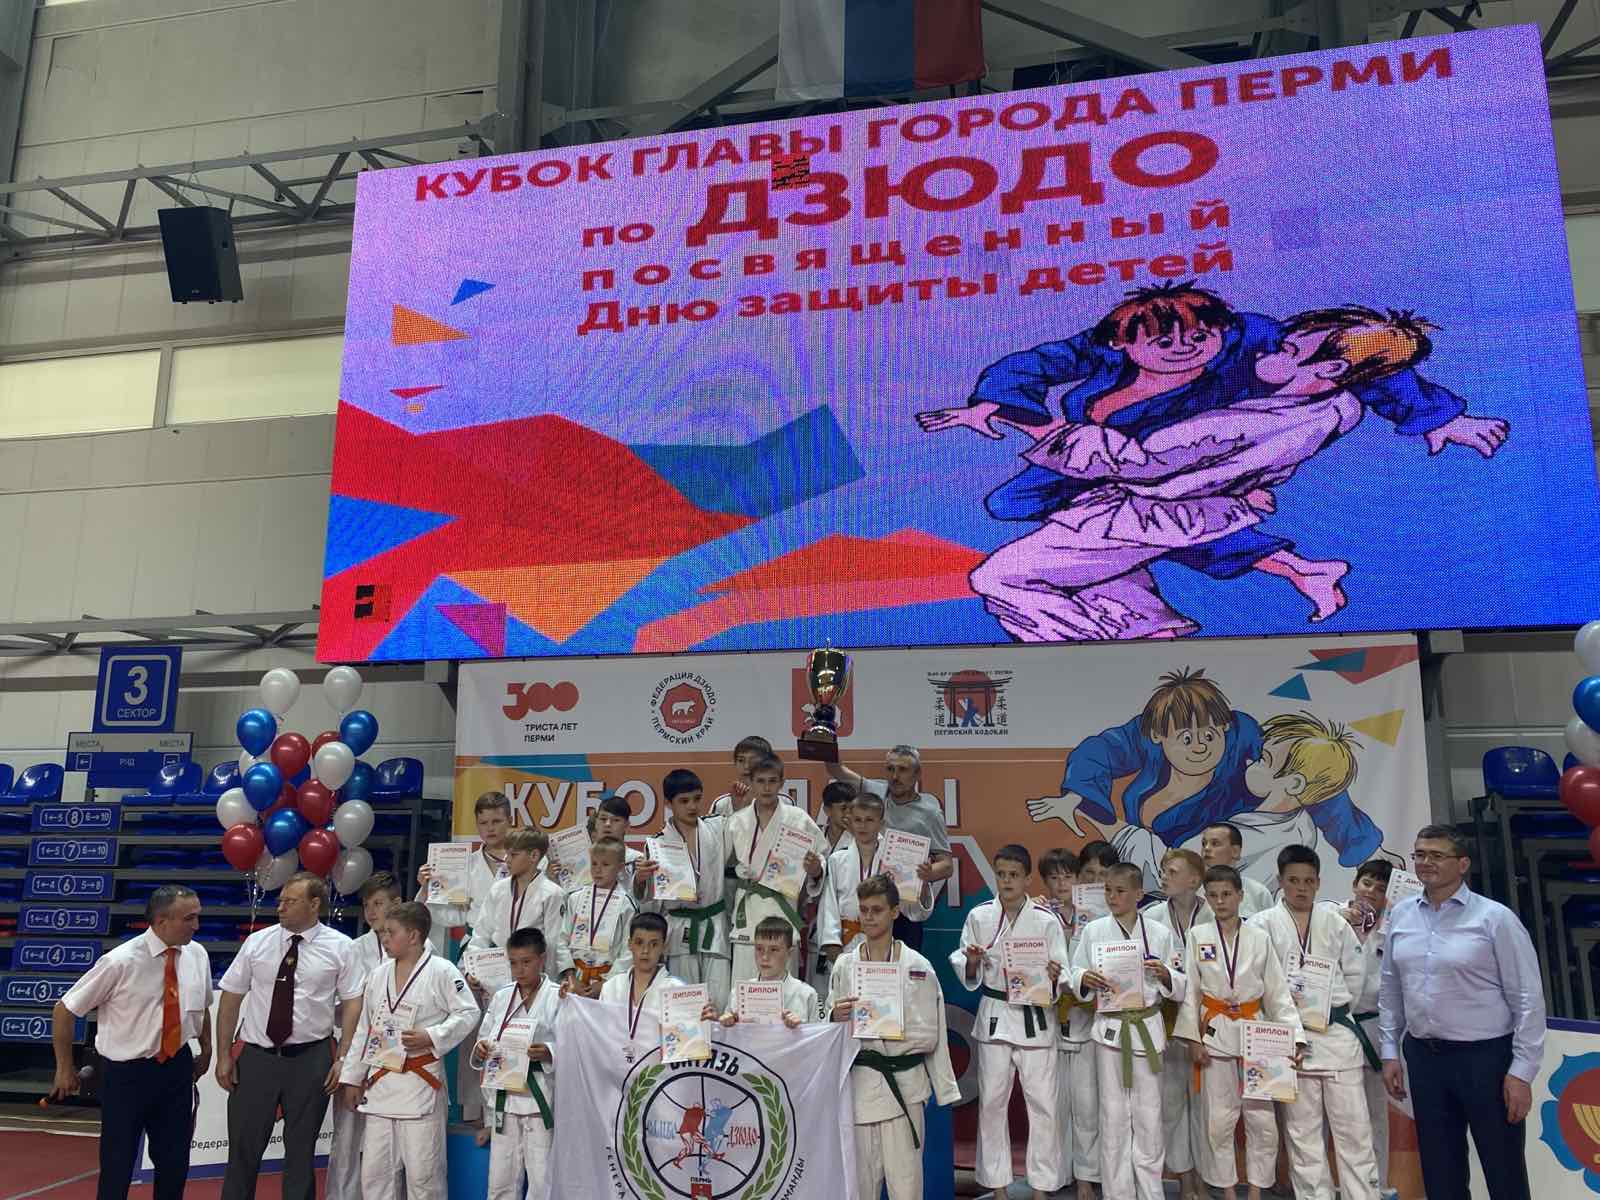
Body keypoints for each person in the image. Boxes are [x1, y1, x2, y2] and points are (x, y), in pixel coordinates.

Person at [917, 281, 1503, 634]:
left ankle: (1094, 640)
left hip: (1147, 479)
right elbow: (1032, 366)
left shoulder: (1256, 350)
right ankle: (1159, 620)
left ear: (1222, 332)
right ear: (1124, 341)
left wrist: (1438, 417)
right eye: (1162, 342)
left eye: (1198, 339)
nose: (1183, 349)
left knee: (1027, 566)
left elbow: (1366, 365)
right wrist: (997, 404)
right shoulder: (1108, 348)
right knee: (1035, 516)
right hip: (1114, 481)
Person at [1378, 825, 1544, 1200]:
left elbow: (1528, 999)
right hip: (1425, 1059)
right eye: (1420, 854)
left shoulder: (1495, 919)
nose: (1426, 862)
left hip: (1485, 1060)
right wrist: (1389, 1052)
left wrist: (1521, 1072)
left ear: (1463, 864)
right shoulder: (1401, 915)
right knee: (1441, 1173)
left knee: (1503, 1171)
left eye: (1437, 855)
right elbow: (1390, 989)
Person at [51, 885, 211, 1200]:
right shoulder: (120, 961)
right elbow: (64, 1010)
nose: (196, 925)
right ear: (161, 921)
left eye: (197, 916)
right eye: (189, 918)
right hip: (127, 1074)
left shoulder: (197, 954)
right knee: (118, 1163)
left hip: (177, 1068)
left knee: (174, 1161)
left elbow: (202, 1006)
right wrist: (64, 1068)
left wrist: (207, 1049)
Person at [217, 873, 364, 1200]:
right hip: (256, 1057)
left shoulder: (342, 947)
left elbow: (354, 1003)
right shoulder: (257, 942)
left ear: (314, 904)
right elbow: (230, 997)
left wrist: (344, 1057)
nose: (280, 907)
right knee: (242, 1150)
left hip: (312, 1058)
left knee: (301, 1152)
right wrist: (224, 1054)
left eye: (290, 901)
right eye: (280, 900)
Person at [1254, 845, 1378, 1200]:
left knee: (1354, 1132)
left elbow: (1355, 976)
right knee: (1302, 1135)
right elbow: (1259, 982)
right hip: (1290, 1041)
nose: (1301, 888)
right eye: (1293, 880)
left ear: (1319, 883)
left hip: (1336, 1034)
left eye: (1308, 881)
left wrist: (1329, 1011)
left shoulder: (1335, 923)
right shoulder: (1262, 925)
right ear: (1280, 882)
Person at [827, 874, 959, 1200]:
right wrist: (833, 1016)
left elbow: (933, 1032)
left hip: (904, 1085)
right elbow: (828, 1026)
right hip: (860, 1085)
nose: (869, 917)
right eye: (864, 910)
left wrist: (943, 1086)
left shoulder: (917, 966)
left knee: (906, 1185)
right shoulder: (845, 965)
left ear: (895, 912)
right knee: (861, 1185)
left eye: (877, 910)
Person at [1175, 865, 1303, 1200]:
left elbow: (1277, 992)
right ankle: (1229, 1191)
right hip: (1214, 1033)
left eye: (1227, 894)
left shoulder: (1260, 938)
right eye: (1213, 895)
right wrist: (1192, 1039)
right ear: (1206, 897)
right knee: (1218, 1121)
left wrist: (1295, 1037)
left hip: (1257, 1036)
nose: (1220, 901)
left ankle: (1256, 1190)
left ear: (1240, 896)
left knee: (1262, 1122)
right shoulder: (1198, 936)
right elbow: (1191, 991)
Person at [337, 903, 478, 1200]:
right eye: (384, 933)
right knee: (375, 1176)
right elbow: (365, 1029)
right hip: (380, 1085)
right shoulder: (378, 975)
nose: (384, 938)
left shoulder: (442, 970)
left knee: (424, 1177)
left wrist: (432, 1036)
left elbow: (468, 1013)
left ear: (413, 936)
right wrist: (352, 1078)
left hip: (419, 1084)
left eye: (391, 932)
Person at [953, 844, 1070, 1200]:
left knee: (1043, 1104)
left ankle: (1041, 1186)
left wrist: (1055, 976)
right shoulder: (980, 916)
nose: (1006, 881)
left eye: (1014, 875)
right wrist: (972, 961)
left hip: (1035, 1016)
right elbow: (963, 963)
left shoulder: (1046, 920)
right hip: (996, 1014)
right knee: (992, 1102)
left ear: (1027, 878)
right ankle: (998, 1186)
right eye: (1001, 874)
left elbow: (1063, 971)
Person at [1069, 862, 1186, 1200]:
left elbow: (1181, 981)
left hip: (1147, 1028)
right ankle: (1117, 1193)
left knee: (1149, 1115)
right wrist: (1083, 978)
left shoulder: (1159, 933)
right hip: (1110, 1029)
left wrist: (1165, 974)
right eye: (1108, 890)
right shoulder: (1094, 931)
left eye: (1120, 891)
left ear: (1138, 894)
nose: (1112, 897)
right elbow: (1074, 971)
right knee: (1113, 1115)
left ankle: (1150, 1192)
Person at [826, 744, 952, 949]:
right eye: (890, 769)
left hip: (904, 905)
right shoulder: (877, 791)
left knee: (903, 966)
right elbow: (836, 770)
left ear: (917, 773)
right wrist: (825, 742)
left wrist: (927, 873)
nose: (895, 776)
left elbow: (946, 865)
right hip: (869, 901)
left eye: (903, 770)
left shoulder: (930, 813)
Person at [329, 872, 404, 1200]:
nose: (371, 912)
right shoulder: (353, 948)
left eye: (378, 903)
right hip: (358, 1047)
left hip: (398, 1052)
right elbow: (341, 1005)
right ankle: (341, 1196)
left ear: (396, 904)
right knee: (347, 1135)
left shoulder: (418, 946)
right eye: (366, 905)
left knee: (393, 1138)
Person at [473, 927, 559, 1200]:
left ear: (542, 959)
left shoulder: (557, 996)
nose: (519, 970)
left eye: (526, 962)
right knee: (500, 1180)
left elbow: (572, 1045)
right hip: (505, 1099)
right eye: (513, 963)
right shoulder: (502, 996)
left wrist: (549, 1052)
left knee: (541, 1181)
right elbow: (484, 1037)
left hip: (540, 1099)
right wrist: (481, 1049)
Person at [724, 753, 827, 983]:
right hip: (748, 911)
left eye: (772, 781)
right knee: (744, 984)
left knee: (783, 986)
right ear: (750, 783)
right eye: (760, 781)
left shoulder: (799, 819)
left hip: (783, 907)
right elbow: (722, 863)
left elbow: (821, 858)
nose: (766, 787)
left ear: (782, 783)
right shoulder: (737, 821)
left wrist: (815, 870)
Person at [1144, 848, 1209, 1200]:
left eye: (1172, 871)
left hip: (1207, 1021)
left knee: (1205, 1107)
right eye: (1164, 871)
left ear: (1194, 879)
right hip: (1167, 1020)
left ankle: (1205, 1176)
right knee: (1171, 1105)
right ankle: (1184, 1177)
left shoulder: (1214, 914)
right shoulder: (1150, 917)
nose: (1164, 876)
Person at [645, 768, 731, 1010]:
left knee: (718, 1000)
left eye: (696, 799)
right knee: (684, 1004)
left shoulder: (717, 828)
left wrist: (738, 802)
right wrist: (642, 879)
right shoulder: (657, 843)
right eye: (684, 801)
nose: (692, 806)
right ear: (668, 803)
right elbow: (650, 899)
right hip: (679, 929)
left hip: (714, 925)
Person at [819, 789, 929, 963]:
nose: (863, 826)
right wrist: (832, 944)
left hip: (886, 943)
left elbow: (912, 911)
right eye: (858, 820)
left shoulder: (897, 859)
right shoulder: (837, 860)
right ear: (850, 821)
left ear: (881, 824)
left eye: (869, 820)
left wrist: (922, 884)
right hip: (846, 944)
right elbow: (829, 905)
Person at [1040, 849, 1094, 1200]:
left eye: (1067, 876)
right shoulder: (1037, 916)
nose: (1061, 884)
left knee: (1087, 1106)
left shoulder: (1095, 916)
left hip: (1087, 1016)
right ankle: (1056, 1174)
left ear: (1078, 879)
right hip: (1050, 1018)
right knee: (1054, 1105)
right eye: (1054, 877)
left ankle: (1087, 1176)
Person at [1344, 857, 1396, 1197]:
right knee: (1327, 1117)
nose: (1371, 892)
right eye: (1366, 883)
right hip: (1334, 1028)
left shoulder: (1394, 930)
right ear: (1354, 884)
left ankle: (1378, 1187)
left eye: (1380, 888)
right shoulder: (1330, 918)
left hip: (1373, 1030)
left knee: (1375, 1115)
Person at [417, 791, 510, 956]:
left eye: (496, 821)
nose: (490, 828)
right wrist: (426, 888)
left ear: (510, 820)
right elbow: (449, 915)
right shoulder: (465, 865)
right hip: (477, 947)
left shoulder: (529, 860)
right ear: (477, 825)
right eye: (483, 823)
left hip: (518, 947)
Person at [472, 828, 565, 970]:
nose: (507, 859)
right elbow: (481, 934)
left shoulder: (553, 893)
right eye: (507, 853)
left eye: (513, 855)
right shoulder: (498, 889)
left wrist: (549, 980)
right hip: (498, 969)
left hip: (532, 971)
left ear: (534, 856)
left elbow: (554, 943)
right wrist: (474, 969)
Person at [556, 838, 637, 995]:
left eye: (605, 865)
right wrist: (571, 978)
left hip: (609, 980)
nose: (598, 870)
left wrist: (606, 984)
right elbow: (562, 940)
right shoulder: (575, 898)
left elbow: (628, 949)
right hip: (575, 978)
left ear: (620, 868)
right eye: (594, 864)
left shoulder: (626, 904)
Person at [595, 913, 683, 1054]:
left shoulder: (677, 990)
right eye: (639, 942)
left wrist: (706, 1019)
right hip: (614, 1062)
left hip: (657, 1065)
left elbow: (687, 1043)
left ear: (664, 947)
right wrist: (567, 1001)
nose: (645, 951)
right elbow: (597, 1032)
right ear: (630, 944)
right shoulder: (611, 987)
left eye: (654, 944)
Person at [718, 916, 819, 1026]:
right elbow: (725, 1035)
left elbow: (820, 1034)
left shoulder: (807, 995)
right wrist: (727, 1026)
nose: (765, 957)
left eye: (774, 950)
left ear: (789, 953)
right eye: (759, 949)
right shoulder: (737, 995)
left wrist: (800, 1030)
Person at [1201, 823, 1275, 917]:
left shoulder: (1258, 893)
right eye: (1204, 844)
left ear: (1235, 851)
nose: (1206, 848)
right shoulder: (1193, 893)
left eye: (1215, 843)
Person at [705, 735, 778, 818]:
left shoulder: (783, 801)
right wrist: (738, 810)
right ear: (735, 763)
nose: (746, 766)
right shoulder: (722, 804)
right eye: (741, 760)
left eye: (753, 761)